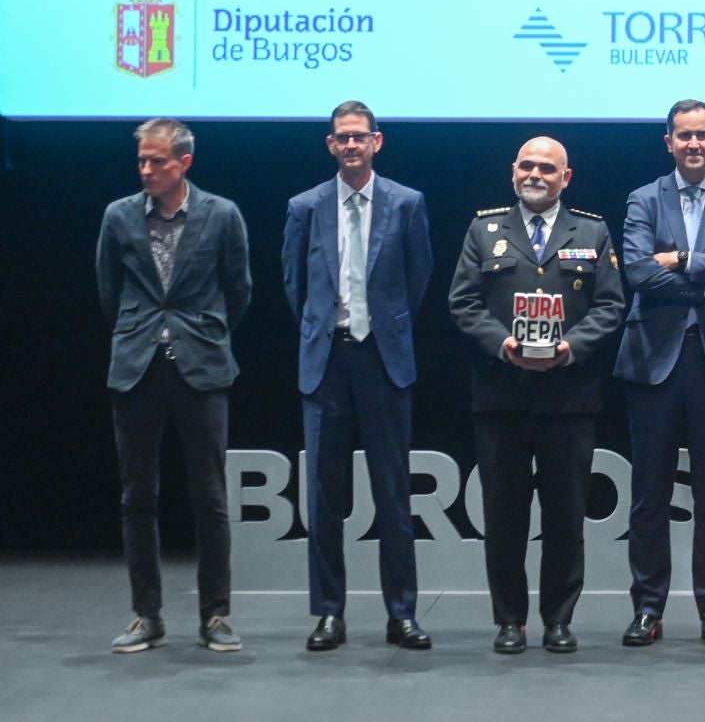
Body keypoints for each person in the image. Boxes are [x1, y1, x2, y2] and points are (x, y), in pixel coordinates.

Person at [447, 136, 625, 655]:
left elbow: (610, 306)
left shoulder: (592, 230)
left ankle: (558, 619)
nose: (536, 175)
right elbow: (462, 303)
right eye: (527, 166)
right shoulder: (485, 230)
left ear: (565, 178)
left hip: (569, 397)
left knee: (566, 516)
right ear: (512, 172)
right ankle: (509, 620)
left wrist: (570, 348)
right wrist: (503, 344)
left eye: (548, 168)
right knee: (503, 517)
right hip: (502, 395)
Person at [282, 100, 435, 652]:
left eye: (359, 137)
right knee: (324, 500)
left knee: (393, 496)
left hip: (383, 361)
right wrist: (326, 330)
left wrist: (385, 329)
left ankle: (402, 614)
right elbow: (295, 287)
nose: (351, 145)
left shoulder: (407, 204)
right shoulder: (305, 207)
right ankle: (329, 614)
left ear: (377, 141)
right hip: (326, 363)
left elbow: (418, 280)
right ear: (330, 145)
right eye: (341, 137)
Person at [95, 118, 252, 654]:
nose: (146, 170)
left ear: (183, 162)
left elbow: (239, 289)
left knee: (209, 495)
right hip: (137, 365)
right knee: (137, 495)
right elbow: (107, 290)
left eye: (156, 161)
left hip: (202, 364)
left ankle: (215, 615)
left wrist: (200, 331)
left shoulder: (222, 214)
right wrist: (139, 331)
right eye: (141, 160)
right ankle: (147, 614)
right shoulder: (118, 216)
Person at [614, 99, 705, 649]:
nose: (694, 144)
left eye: (703, 135)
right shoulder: (642, 198)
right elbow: (635, 271)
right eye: (684, 136)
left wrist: (677, 260)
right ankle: (648, 609)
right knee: (649, 493)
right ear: (668, 142)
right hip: (653, 357)